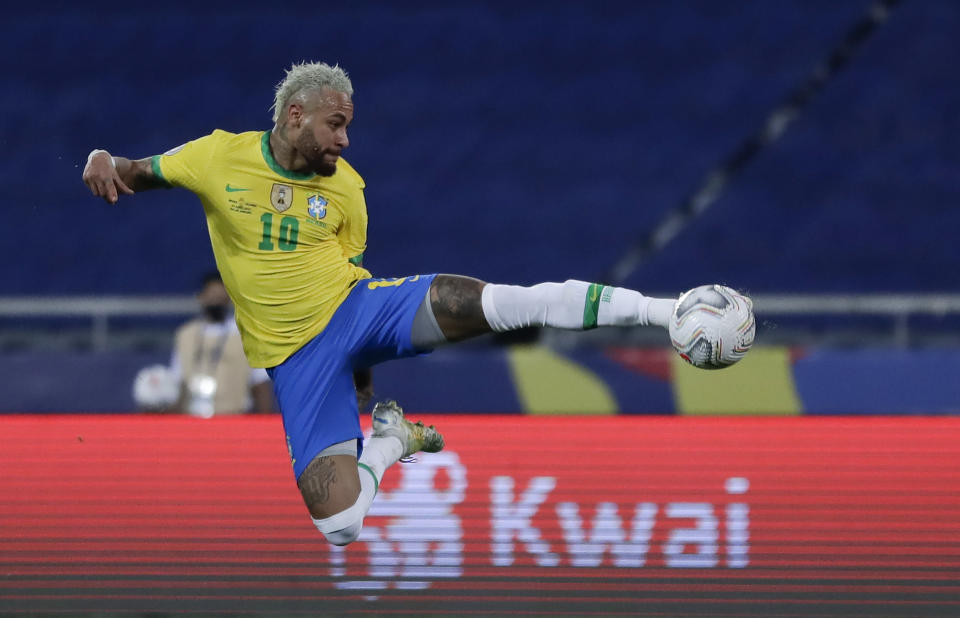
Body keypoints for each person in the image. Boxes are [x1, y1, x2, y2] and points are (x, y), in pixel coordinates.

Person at [82, 61, 686, 547]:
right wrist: (105, 159)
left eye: (349, 127)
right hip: (294, 358)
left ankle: (671, 311)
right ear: (296, 116)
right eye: (335, 124)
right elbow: (136, 171)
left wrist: (363, 357)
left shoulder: (347, 188)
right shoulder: (218, 157)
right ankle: (393, 439)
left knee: (501, 302)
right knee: (340, 527)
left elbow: (351, 267)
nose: (345, 140)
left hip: (354, 310)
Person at [170, 271, 274, 417]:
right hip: (192, 417)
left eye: (220, 298)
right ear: (200, 298)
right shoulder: (185, 335)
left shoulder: (246, 334)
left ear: (229, 299)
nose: (216, 303)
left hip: (233, 417)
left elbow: (260, 383)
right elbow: (178, 382)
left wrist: (265, 424)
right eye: (211, 297)